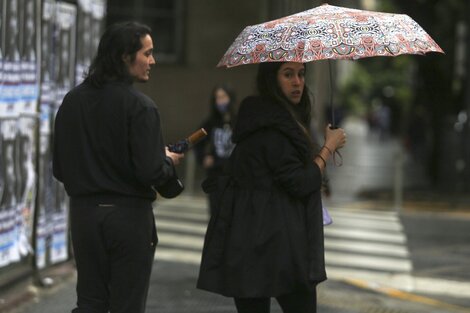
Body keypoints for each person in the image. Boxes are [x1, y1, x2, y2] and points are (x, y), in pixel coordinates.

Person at [53, 22, 184, 313]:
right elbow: (151, 172)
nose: (153, 61)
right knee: (127, 304)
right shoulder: (142, 108)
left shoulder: (72, 101)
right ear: (125, 56)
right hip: (128, 219)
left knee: (89, 302)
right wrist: (168, 161)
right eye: (147, 53)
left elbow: (60, 168)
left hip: (84, 216)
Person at [197, 61, 347, 313]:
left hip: (250, 236)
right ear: (271, 79)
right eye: (288, 74)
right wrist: (328, 148)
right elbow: (300, 182)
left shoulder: (271, 118)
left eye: (301, 74)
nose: (297, 82)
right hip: (278, 241)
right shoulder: (273, 127)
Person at [195, 84, 236, 215]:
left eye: (223, 97)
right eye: (217, 98)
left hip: (234, 175)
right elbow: (196, 139)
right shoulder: (211, 122)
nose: (221, 101)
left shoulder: (239, 121)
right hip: (215, 174)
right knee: (216, 212)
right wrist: (203, 157)